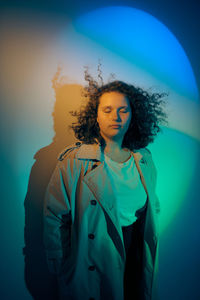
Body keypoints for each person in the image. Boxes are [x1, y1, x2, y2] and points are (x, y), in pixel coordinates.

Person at [43, 70, 167, 300]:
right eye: (107, 110)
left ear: (133, 115)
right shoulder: (75, 161)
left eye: (123, 110)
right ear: (95, 116)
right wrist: (59, 262)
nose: (116, 117)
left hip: (135, 255)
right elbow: (55, 215)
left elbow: (151, 212)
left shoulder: (144, 160)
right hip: (94, 260)